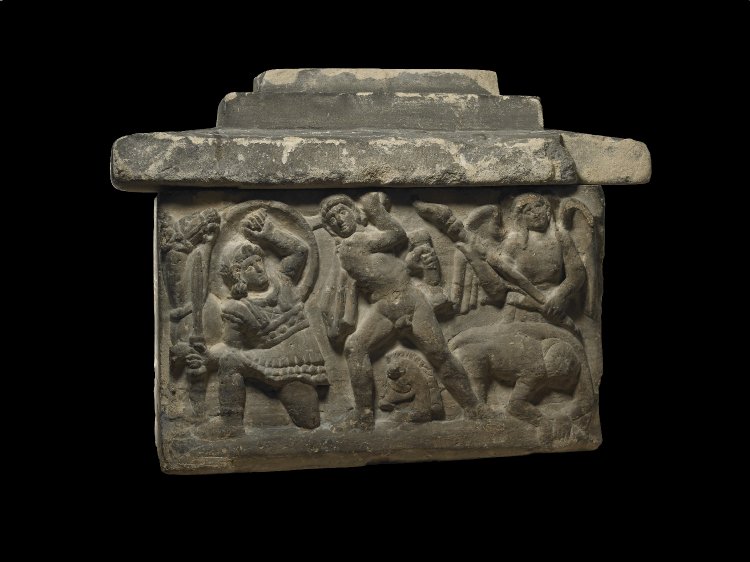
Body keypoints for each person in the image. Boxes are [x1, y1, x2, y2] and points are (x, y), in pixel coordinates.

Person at [320, 192, 486, 429]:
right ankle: (364, 415)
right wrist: (375, 208)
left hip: (409, 300)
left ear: (354, 212)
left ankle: (474, 407)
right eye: (332, 219)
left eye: (342, 211)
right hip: (384, 308)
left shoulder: (360, 241)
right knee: (355, 348)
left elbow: (394, 251)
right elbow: (395, 238)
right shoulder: (350, 245)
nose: (338, 220)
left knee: (439, 354)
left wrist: (375, 210)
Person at [207, 208, 328, 436]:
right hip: (267, 358)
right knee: (230, 361)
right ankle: (231, 425)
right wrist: (207, 354)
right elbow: (232, 348)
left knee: (309, 421)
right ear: (238, 274)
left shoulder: (283, 279)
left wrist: (269, 234)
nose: (259, 268)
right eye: (249, 266)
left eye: (259, 261)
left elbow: (300, 250)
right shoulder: (236, 308)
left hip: (300, 357)